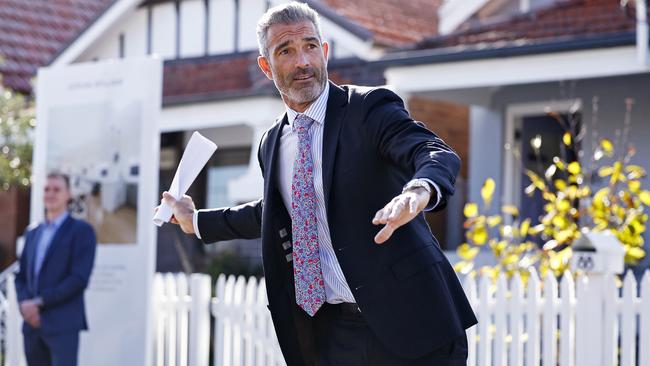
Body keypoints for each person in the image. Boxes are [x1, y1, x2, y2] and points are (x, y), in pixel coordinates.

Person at [162, 2, 477, 365]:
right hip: (335, 333)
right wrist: (197, 220)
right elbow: (279, 212)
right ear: (266, 66)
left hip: (414, 322)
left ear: (325, 51)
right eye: (286, 50)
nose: (302, 62)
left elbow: (432, 150)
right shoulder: (272, 143)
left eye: (310, 46)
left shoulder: (369, 109)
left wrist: (418, 190)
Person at [15, 172, 97, 366]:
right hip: (31, 327)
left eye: (56, 189)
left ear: (68, 194)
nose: (50, 194)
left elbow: (79, 278)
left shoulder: (82, 231)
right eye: (46, 189)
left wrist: (39, 302)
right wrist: (25, 305)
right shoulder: (32, 232)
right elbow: (21, 277)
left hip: (62, 325)